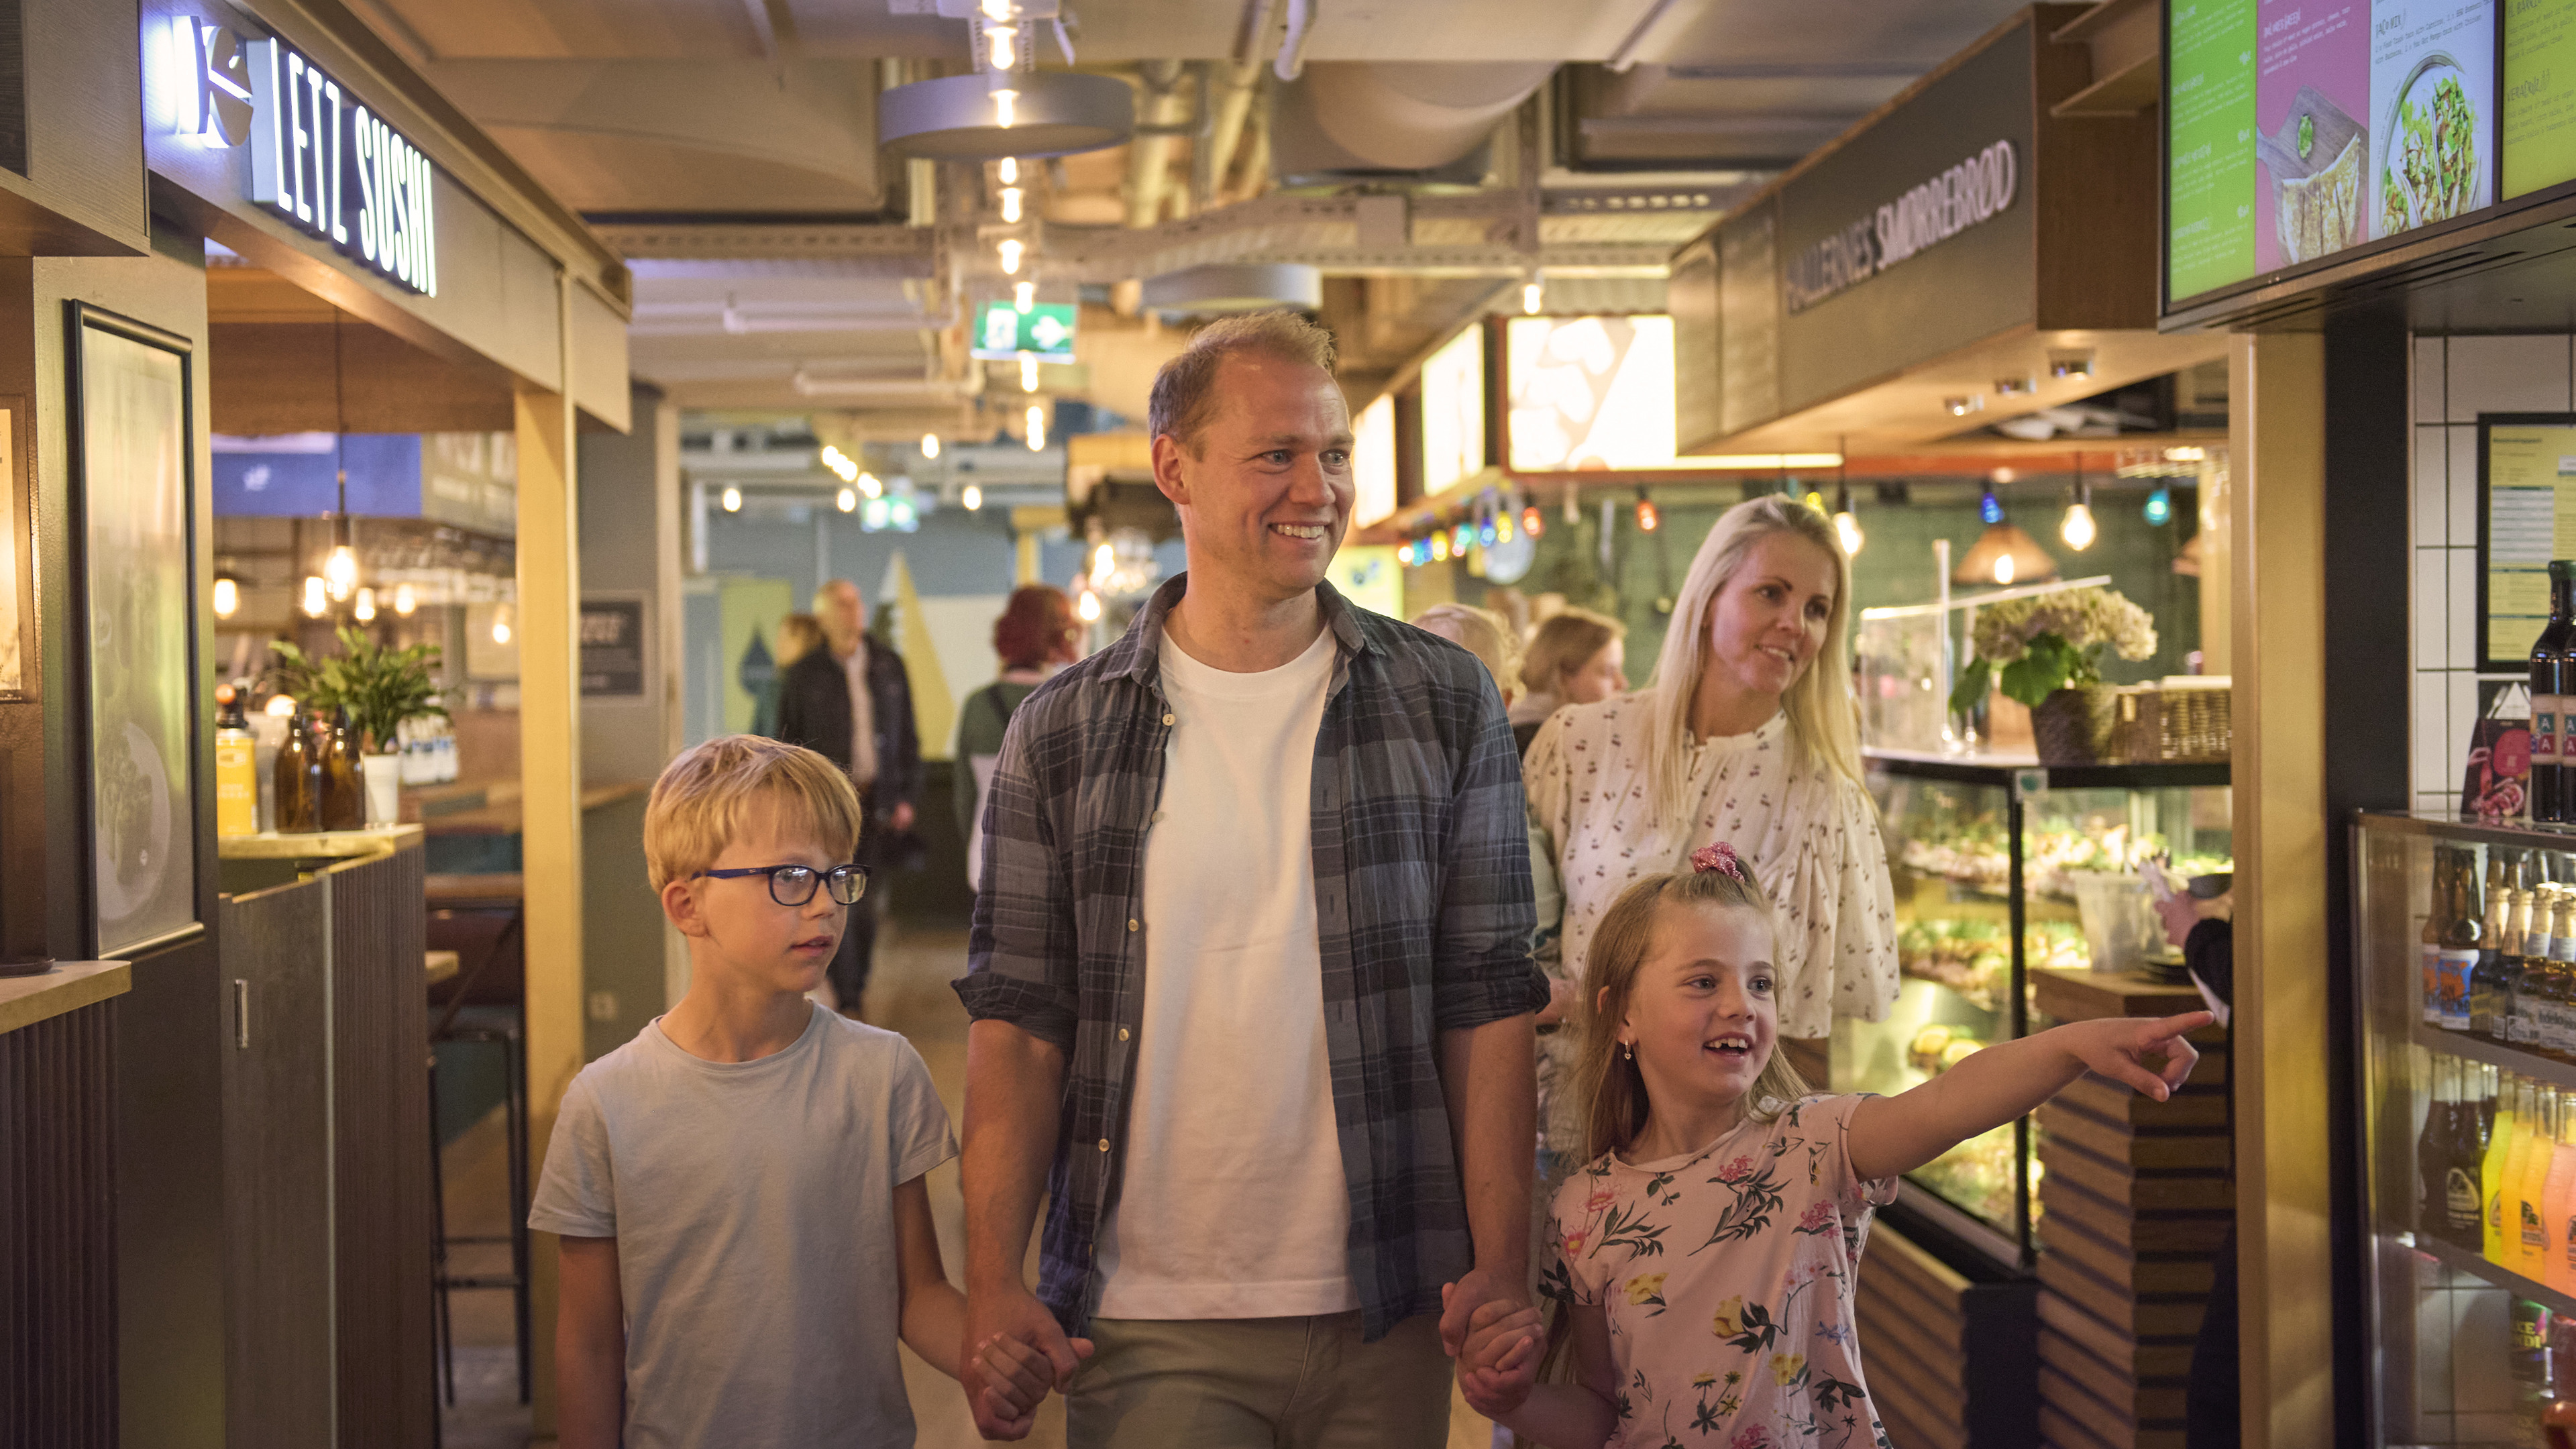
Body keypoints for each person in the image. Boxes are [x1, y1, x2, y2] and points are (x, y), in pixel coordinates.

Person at [955, 309, 1549, 1448]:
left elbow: (1487, 1001)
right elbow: (1020, 1024)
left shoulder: (1443, 699)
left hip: (1389, 1302)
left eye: (1333, 455)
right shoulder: (1063, 732)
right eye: (1276, 454)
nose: (1315, 488)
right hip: (1144, 1317)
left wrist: (1502, 1268)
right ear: (1173, 466)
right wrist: (995, 1284)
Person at [1454, 847, 2210, 1446]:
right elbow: (1600, 1413)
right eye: (1702, 982)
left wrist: (2075, 1043)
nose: (1739, 1006)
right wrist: (1514, 1402)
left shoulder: (1815, 1144)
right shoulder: (1587, 1208)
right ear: (1621, 1016)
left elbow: (1950, 1101)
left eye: (1761, 983)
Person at [531, 734, 1044, 1448]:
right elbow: (587, 1346)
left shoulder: (881, 1074)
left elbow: (917, 1294)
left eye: (838, 877)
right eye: (792, 877)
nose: (826, 905)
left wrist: (991, 1359)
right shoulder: (606, 1104)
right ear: (687, 905)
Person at [1525, 496, 1897, 1138]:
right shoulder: (1581, 742)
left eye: (1816, 609)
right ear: (1707, 600)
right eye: (1771, 594)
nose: (1795, 625)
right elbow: (1511, 940)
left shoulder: (1824, 801)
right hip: (1569, 1126)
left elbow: (1807, 1037)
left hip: (1727, 1153)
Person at [775, 579, 922, 1018]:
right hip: (827, 807)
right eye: (840, 605)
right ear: (822, 616)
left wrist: (908, 796)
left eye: (855, 602)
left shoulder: (888, 666)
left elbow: (908, 737)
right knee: (838, 901)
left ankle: (855, 988)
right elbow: (785, 744)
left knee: (867, 904)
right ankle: (850, 997)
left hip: (878, 802)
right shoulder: (804, 676)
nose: (850, 612)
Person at [956, 585, 1081, 894]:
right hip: (1056, 866)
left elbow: (964, 797)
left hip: (988, 857)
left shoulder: (977, 705)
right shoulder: (1070, 703)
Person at [1511, 607, 1626, 756]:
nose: (1621, 684)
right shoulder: (1538, 744)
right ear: (1564, 674)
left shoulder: (1519, 727)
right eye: (1609, 672)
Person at [751, 612, 826, 739]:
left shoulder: (825, 688)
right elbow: (755, 740)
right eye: (780, 636)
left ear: (811, 641)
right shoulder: (771, 688)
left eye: (791, 636)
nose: (781, 644)